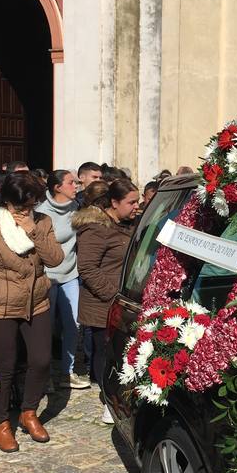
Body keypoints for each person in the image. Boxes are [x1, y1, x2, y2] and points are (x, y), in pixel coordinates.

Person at [0, 172, 63, 453]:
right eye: (19, 207)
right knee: (5, 368)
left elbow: (55, 259)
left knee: (42, 360)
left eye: (30, 205)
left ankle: (29, 412)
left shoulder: (42, 222)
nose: (24, 212)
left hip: (37, 302)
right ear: (6, 201)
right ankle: (0, 422)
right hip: (0, 306)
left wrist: (32, 229)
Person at [73, 178, 138, 418]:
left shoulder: (129, 225)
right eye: (131, 202)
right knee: (107, 352)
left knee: (123, 351)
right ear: (114, 202)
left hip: (124, 301)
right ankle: (110, 401)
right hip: (102, 304)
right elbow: (88, 268)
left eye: (137, 202)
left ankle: (121, 395)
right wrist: (113, 295)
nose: (136, 207)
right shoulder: (95, 229)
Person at [35, 170, 90, 391]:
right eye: (71, 183)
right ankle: (44, 375)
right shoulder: (41, 212)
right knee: (45, 327)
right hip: (48, 276)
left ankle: (67, 373)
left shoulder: (75, 208)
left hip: (70, 273)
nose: (76, 186)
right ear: (57, 187)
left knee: (73, 323)